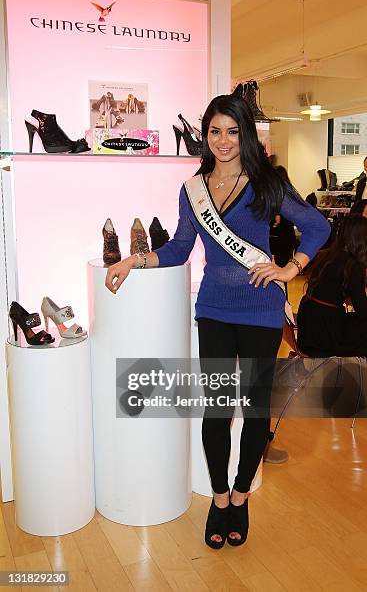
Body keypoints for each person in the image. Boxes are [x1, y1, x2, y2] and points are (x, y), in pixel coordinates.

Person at [105, 93, 330, 549]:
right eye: (215, 131)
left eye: (233, 131)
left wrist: (290, 268)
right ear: (204, 136)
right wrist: (134, 260)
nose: (224, 140)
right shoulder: (192, 190)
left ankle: (242, 495)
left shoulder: (267, 183)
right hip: (214, 309)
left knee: (255, 408)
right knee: (216, 409)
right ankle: (219, 497)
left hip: (262, 309)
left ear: (244, 133)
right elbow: (179, 249)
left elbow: (319, 225)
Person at [297, 214, 367, 357]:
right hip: (325, 332)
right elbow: (362, 310)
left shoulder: (327, 255)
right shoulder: (352, 265)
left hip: (308, 325)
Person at [269, 166, 297, 268]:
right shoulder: (291, 195)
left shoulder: (274, 196)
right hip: (286, 239)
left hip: (278, 239)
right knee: (282, 270)